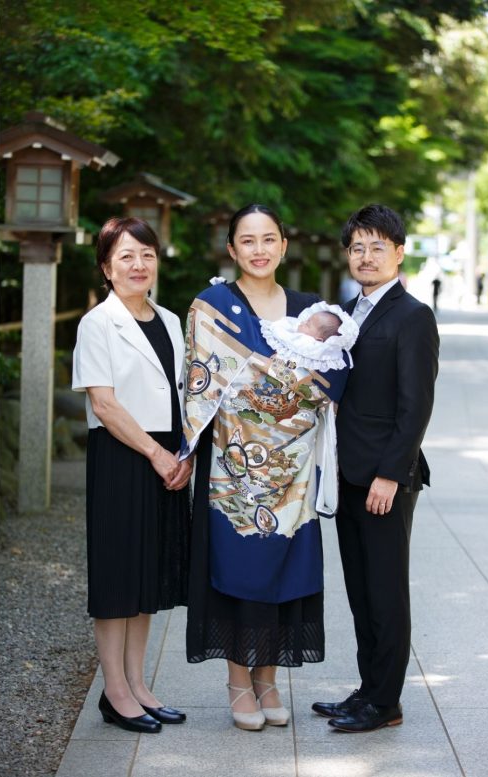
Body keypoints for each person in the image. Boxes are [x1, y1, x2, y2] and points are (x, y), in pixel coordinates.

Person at [180, 204, 349, 731]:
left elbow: (336, 372)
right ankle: (238, 684)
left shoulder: (307, 311)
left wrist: (291, 396)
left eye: (268, 238)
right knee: (239, 573)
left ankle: (269, 680)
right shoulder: (213, 308)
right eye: (247, 240)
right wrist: (276, 388)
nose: (259, 249)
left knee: (283, 574)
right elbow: (203, 378)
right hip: (234, 471)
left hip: (292, 475)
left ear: (283, 245)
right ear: (231, 250)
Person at [311, 203, 439, 733]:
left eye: (377, 247)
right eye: (358, 248)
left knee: (386, 590)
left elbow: (417, 405)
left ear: (399, 252)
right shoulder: (347, 312)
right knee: (361, 590)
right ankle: (367, 690)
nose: (366, 257)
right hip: (347, 469)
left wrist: (391, 473)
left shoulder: (413, 316)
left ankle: (385, 702)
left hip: (385, 476)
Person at [71, 217, 192, 734]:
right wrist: (157, 455)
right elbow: (104, 402)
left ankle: (139, 685)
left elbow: (185, 393)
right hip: (123, 457)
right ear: (106, 267)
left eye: (146, 254)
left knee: (148, 577)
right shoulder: (97, 324)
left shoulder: (168, 319)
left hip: (167, 457)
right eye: (126, 256)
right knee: (119, 576)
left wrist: (182, 453)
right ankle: (114, 692)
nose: (138, 264)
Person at [260, 301, 359, 372]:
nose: (302, 322)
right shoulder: (300, 330)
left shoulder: (308, 344)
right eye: (306, 320)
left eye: (307, 324)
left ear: (318, 340)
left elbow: (288, 340)